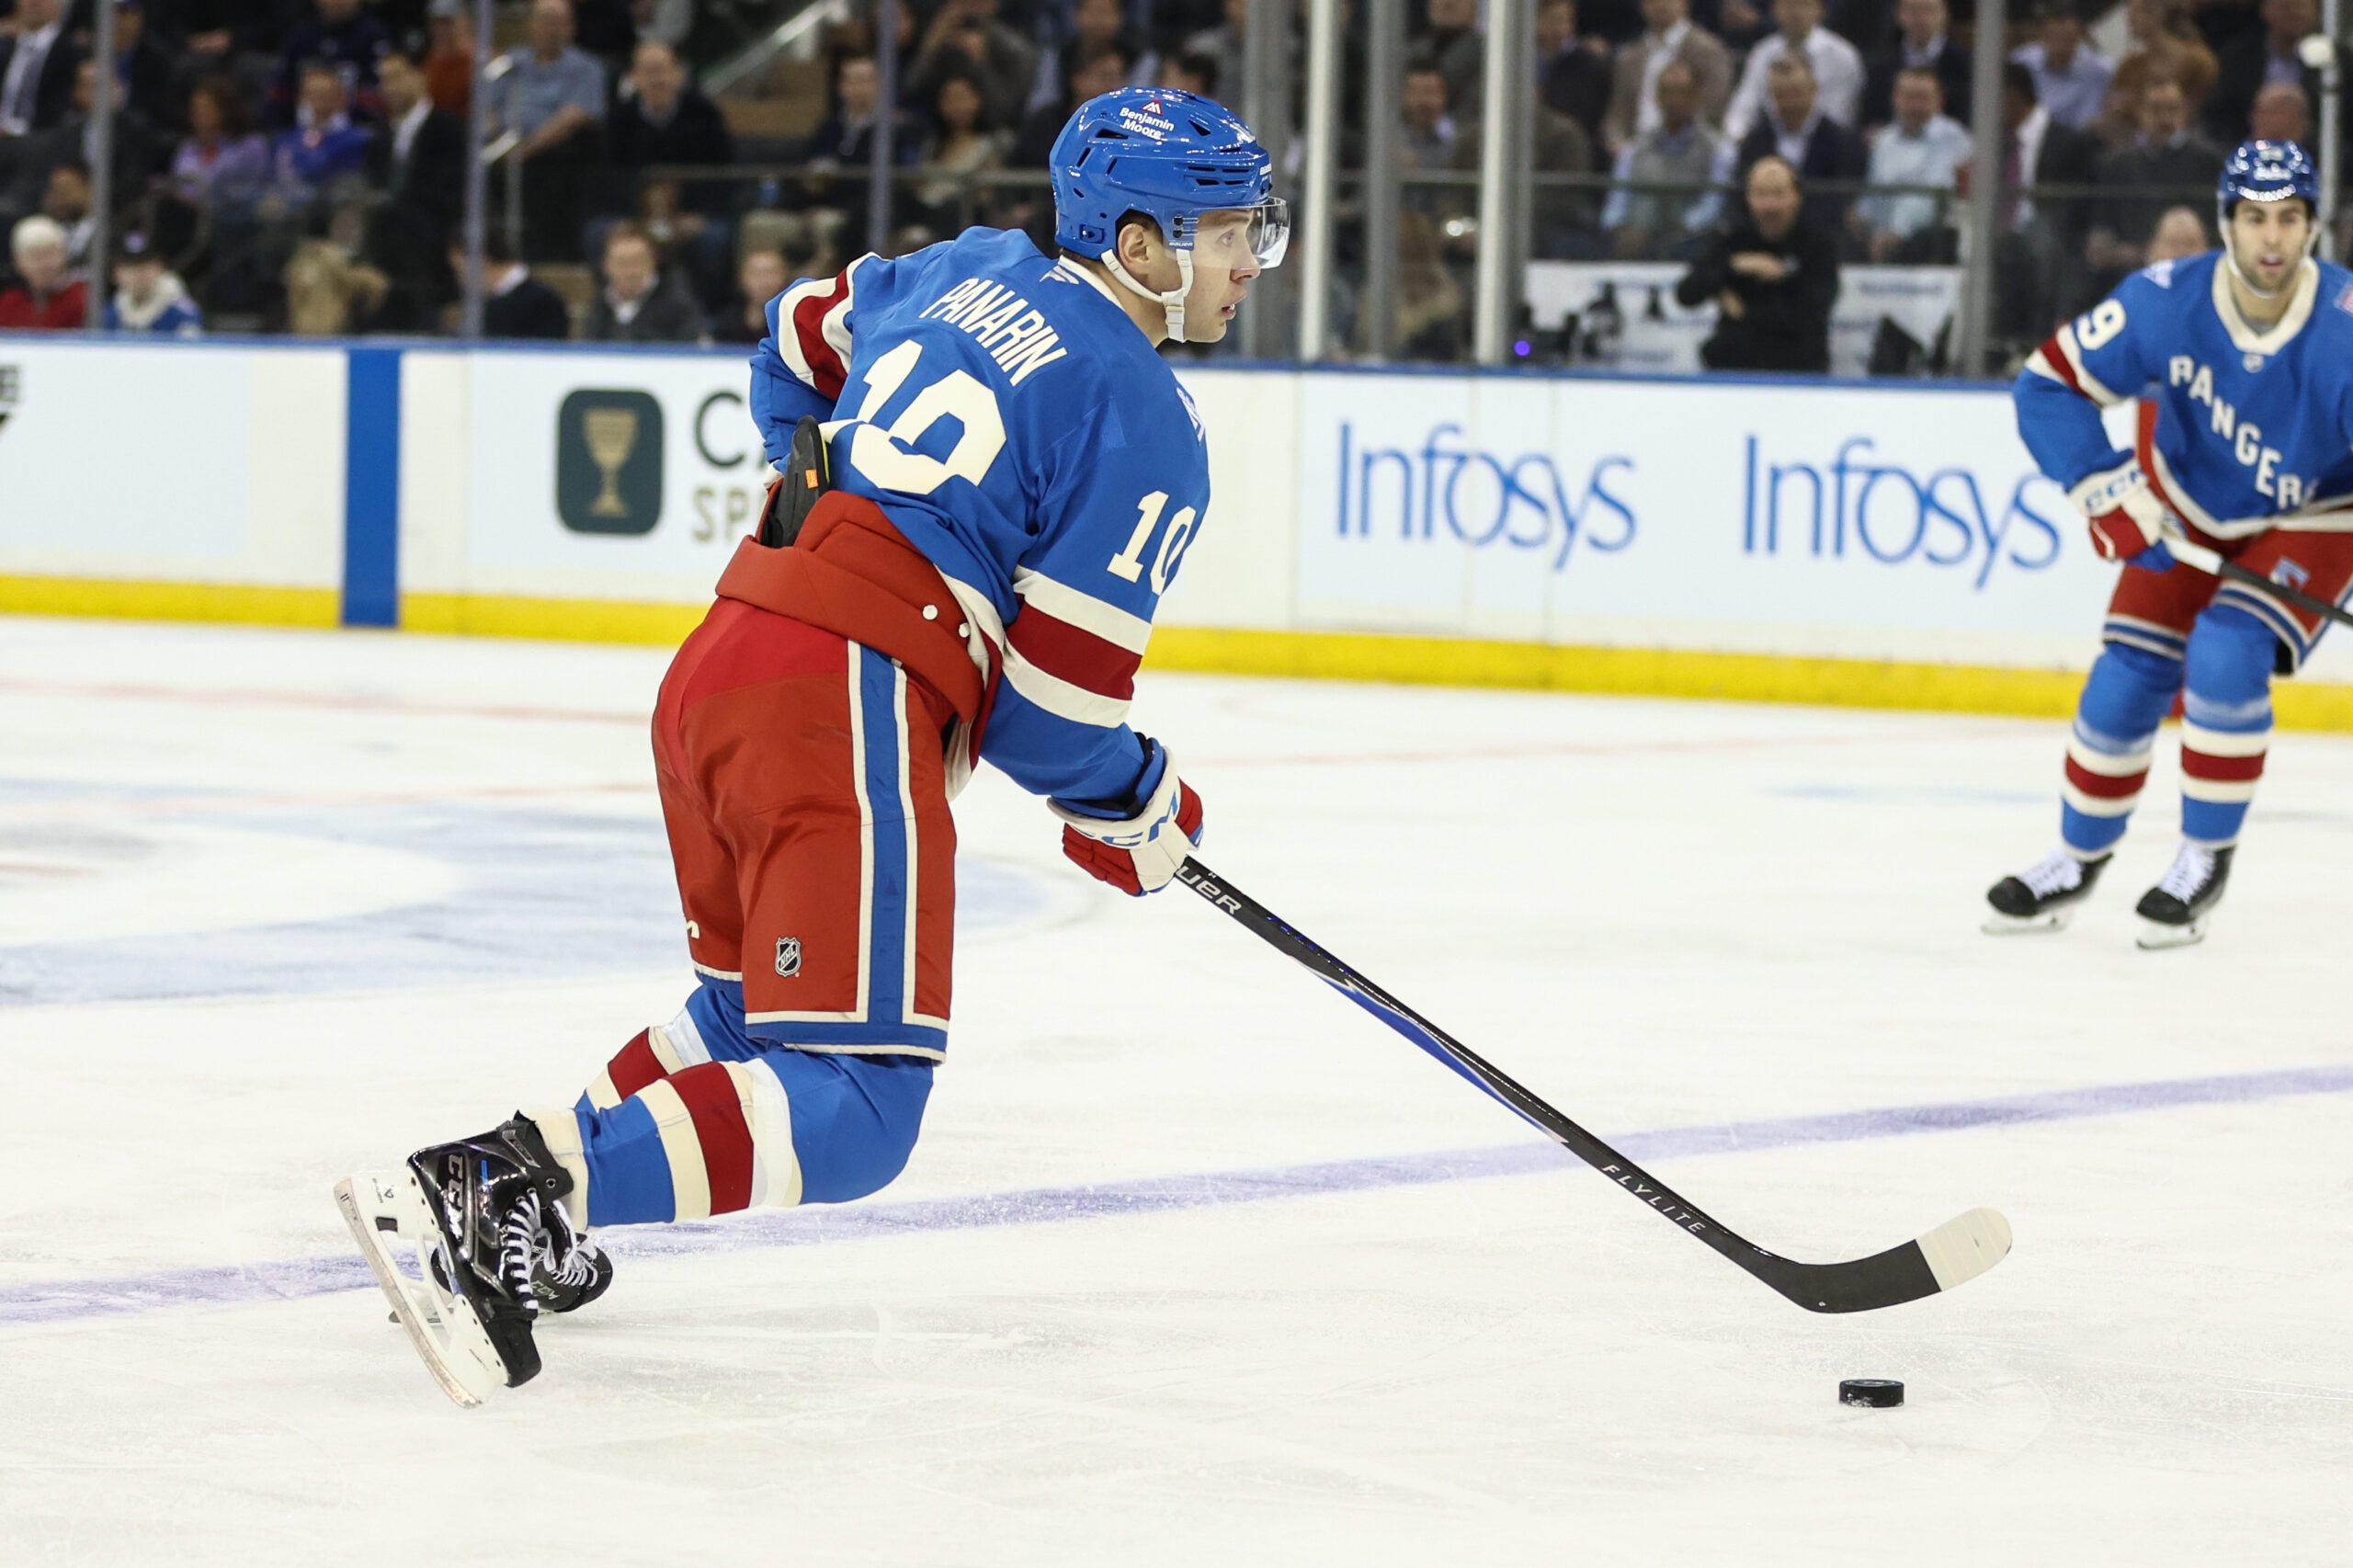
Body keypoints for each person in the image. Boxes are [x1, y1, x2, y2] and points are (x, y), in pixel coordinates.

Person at [339, 85, 1290, 1404]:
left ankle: (534, 1206)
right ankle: (508, 1179)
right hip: (844, 694)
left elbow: (790, 339)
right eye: (1231, 232)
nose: (1252, 263)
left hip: (731, 652)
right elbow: (1050, 718)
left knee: (756, 1012)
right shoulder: (1146, 418)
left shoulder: (967, 266)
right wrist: (1140, 807)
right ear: (1139, 246)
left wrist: (810, 481)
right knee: (857, 1101)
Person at [1986, 142, 2353, 949]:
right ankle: (2075, 859)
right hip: (2188, 505)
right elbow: (2048, 385)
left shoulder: (2345, 329)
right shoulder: (2162, 301)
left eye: (2289, 219)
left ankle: (2201, 858)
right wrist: (2103, 485)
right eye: (2254, 217)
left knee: (2227, 651)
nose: (2271, 240)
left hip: (2315, 514)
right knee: (2126, 676)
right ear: (2227, 223)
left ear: (2313, 228)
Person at [1675, 154, 1837, 371]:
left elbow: (1807, 317)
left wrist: (1743, 312)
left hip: (1798, 373)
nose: (1770, 206)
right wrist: (1734, 266)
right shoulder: (1734, 239)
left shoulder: (1818, 246)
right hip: (1735, 371)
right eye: (1760, 194)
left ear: (1797, 197)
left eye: (1778, 194)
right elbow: (1686, 294)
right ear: (1748, 198)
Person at [2086, 76, 2217, 280]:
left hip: (2194, 269)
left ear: (2185, 112)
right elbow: (2103, 227)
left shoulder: (2207, 161)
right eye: (2155, 109)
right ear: (2140, 111)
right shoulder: (2117, 163)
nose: (2164, 119)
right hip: (2131, 270)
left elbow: (2217, 227)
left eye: (2172, 109)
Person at [1602, 57, 1734, 258]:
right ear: (1657, 97)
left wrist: (1681, 231)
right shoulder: (1634, 150)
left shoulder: (1718, 150)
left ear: (1697, 96)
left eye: (1683, 92)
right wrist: (1617, 227)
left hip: (1690, 246)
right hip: (1636, 246)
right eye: (1667, 92)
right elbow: (1616, 203)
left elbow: (1713, 205)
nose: (1675, 100)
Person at [1733, 52, 1863, 233]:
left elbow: (1842, 199)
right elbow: (1740, 195)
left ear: (1813, 89)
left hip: (1822, 237)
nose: (1789, 103)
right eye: (1780, 95)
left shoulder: (1842, 141)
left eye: (1795, 93)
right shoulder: (1755, 141)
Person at [1854, 65, 1970, 262]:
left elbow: (1934, 196)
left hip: (1930, 239)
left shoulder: (1953, 138)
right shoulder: (1884, 140)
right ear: (1895, 99)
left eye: (1923, 98)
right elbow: (1873, 193)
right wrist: (1861, 220)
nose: (1915, 107)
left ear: (1939, 100)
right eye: (1908, 98)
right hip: (1880, 238)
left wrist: (1898, 232)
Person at [1602, 0, 1732, 155]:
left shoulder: (1709, 51)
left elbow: (1713, 106)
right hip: (1634, 151)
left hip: (1692, 151)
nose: (1660, 4)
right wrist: (1619, 144)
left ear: (1685, 3)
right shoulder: (1628, 57)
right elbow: (1617, 113)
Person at [1722, 0, 1863, 142]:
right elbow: (1744, 107)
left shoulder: (1842, 56)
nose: (1795, 13)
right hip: (1769, 143)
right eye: (1788, 5)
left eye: (1804, 5)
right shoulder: (1762, 52)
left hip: (1825, 146)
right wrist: (1737, 138)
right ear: (1775, 10)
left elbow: (1840, 115)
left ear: (1820, 11)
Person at [578, 221, 707, 342]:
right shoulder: (599, 310)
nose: (630, 271)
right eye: (622, 262)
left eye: (637, 261)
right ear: (606, 266)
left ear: (653, 263)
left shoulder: (678, 306)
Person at [1859, 0, 1970, 131]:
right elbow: (1870, 117)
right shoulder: (1879, 66)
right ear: (1899, 15)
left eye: (1928, 10)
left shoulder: (1966, 64)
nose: (1921, 18)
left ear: (1945, 15)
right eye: (1913, 10)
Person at [2010, 2, 2113, 132]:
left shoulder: (2100, 71)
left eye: (2067, 40)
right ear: (2042, 34)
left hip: (2076, 142)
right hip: (2028, 136)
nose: (2060, 46)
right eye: (2055, 37)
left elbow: (2091, 120)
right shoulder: (2021, 62)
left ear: (2079, 35)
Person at [456, 228, 572, 339]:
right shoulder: (485, 304)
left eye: (459, 270)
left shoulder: (542, 301)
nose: (460, 279)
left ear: (481, 261)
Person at [0, 0, 78, 138]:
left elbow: (61, 107)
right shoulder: (7, 46)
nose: (34, 2)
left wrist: (17, 130)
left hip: (42, 142)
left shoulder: (71, 51)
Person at [102, 230, 202, 334]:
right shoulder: (112, 312)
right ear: (117, 273)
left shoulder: (181, 312)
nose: (138, 276)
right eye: (131, 268)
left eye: (145, 267)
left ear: (158, 268)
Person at [0, 212, 85, 327]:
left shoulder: (82, 299)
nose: (45, 264)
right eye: (36, 256)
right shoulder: (9, 303)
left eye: (50, 254)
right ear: (18, 262)